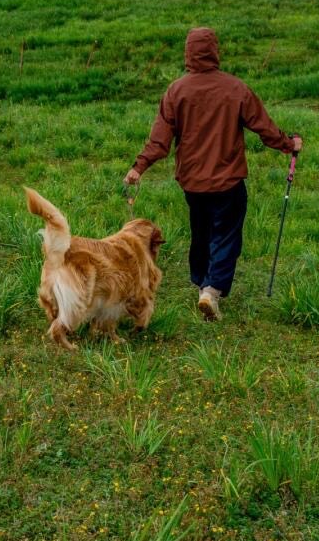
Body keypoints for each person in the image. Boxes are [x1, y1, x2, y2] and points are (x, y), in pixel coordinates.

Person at [124, 26, 302, 321]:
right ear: (214, 50)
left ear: (188, 53)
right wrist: (288, 144)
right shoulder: (236, 88)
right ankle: (212, 290)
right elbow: (264, 127)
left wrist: (138, 167)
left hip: (192, 182)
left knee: (201, 231)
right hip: (228, 180)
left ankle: (200, 284)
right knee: (226, 235)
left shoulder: (176, 91)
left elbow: (160, 140)